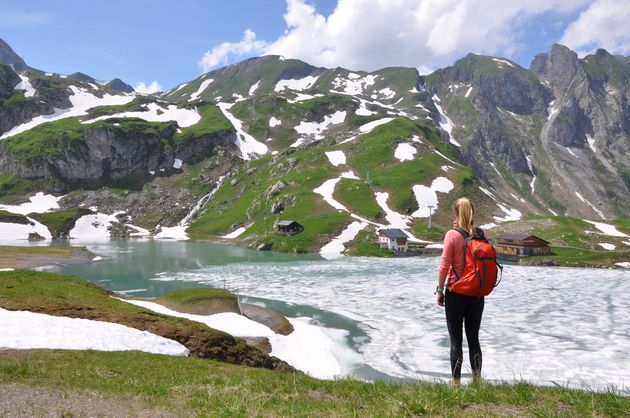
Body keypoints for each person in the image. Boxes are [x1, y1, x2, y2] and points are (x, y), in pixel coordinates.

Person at [435, 197, 484, 384]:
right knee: (474, 339)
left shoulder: (452, 235)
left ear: (456, 213)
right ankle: (477, 381)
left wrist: (440, 290)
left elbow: (444, 266)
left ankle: (456, 383)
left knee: (456, 340)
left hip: (456, 293)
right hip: (477, 295)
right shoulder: (480, 233)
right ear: (472, 212)